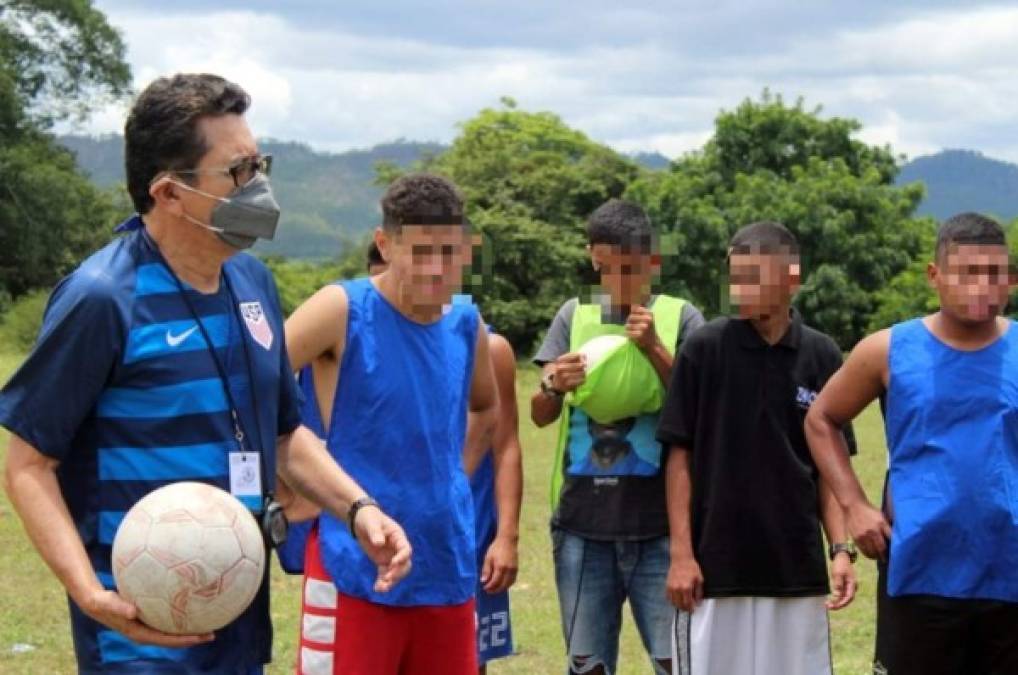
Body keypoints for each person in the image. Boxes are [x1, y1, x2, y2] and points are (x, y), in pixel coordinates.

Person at [0, 73, 410, 674]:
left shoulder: (253, 283)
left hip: (238, 623)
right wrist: (90, 593)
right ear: (169, 194)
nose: (261, 187)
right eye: (240, 172)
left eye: (259, 163)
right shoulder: (103, 298)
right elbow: (29, 465)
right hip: (137, 638)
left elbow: (280, 434)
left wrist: (357, 508)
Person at [283, 173, 499, 674]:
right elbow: (251, 384)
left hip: (444, 562)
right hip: (354, 561)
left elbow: (485, 408)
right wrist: (288, 476)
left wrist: (451, 480)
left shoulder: (467, 322)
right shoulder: (343, 309)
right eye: (420, 251)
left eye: (449, 251)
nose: (435, 268)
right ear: (385, 244)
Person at [805, 212, 1018, 675]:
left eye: (994, 274)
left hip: (1009, 569)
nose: (982, 286)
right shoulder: (887, 350)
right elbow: (821, 419)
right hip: (919, 568)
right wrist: (855, 505)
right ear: (935, 275)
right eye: (967, 273)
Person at [658, 221, 857, 675]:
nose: (739, 289)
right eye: (735, 277)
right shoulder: (702, 350)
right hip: (714, 572)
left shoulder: (822, 355)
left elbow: (829, 469)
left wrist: (840, 550)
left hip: (796, 571)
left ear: (791, 278)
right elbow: (679, 458)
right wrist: (682, 555)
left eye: (752, 277)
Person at [531, 199, 703, 675]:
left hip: (663, 533)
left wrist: (654, 350)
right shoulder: (574, 316)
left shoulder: (682, 318)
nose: (615, 282)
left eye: (628, 269)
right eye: (604, 269)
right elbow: (541, 414)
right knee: (587, 666)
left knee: (680, 665)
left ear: (653, 262)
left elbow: (702, 408)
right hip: (582, 528)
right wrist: (552, 385)